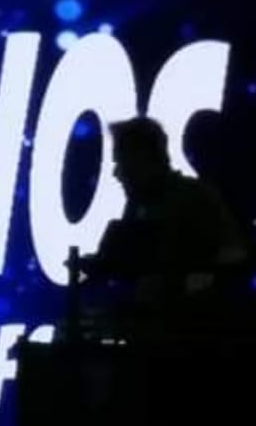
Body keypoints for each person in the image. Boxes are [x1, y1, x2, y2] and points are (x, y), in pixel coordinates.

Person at [82, 117, 247, 329]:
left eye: (122, 162)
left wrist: (186, 284)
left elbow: (234, 255)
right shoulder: (138, 206)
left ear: (143, 159)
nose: (117, 174)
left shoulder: (195, 197)